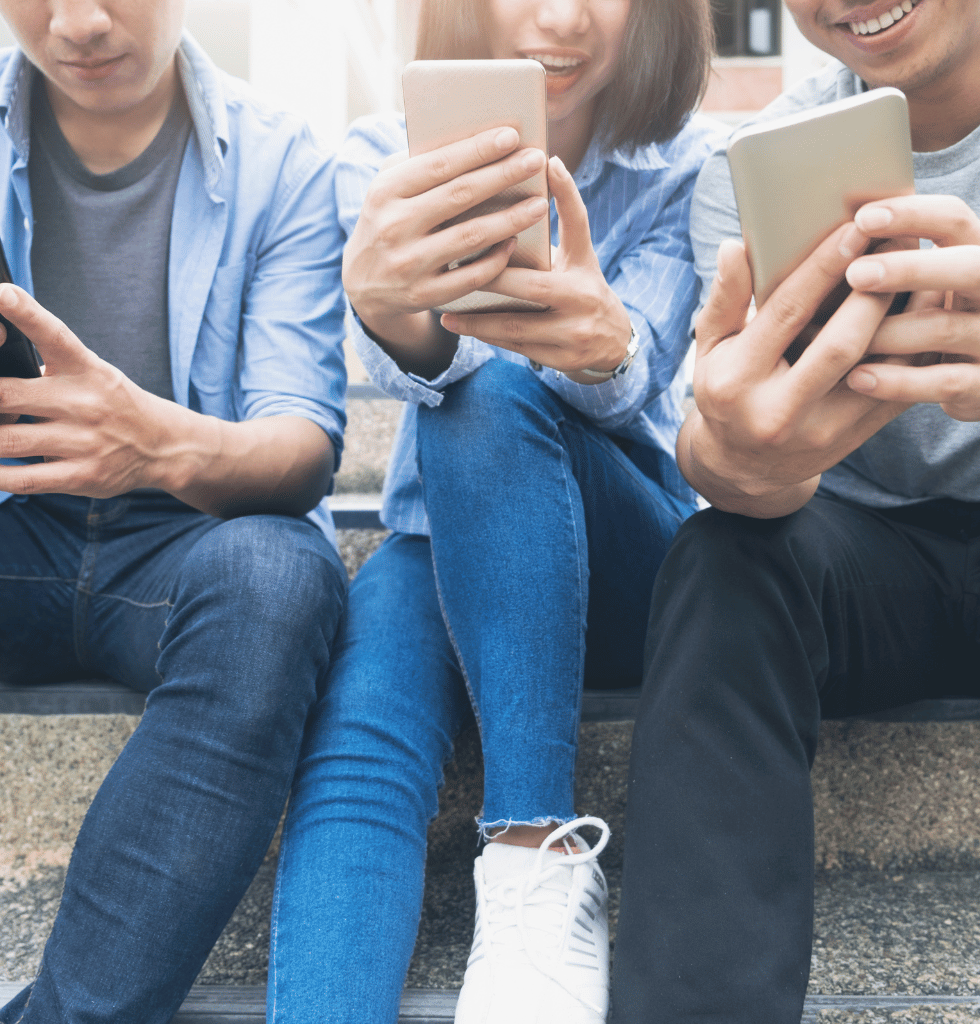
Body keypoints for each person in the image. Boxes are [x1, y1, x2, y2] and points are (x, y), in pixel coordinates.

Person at [266, 0, 720, 1020]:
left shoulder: (693, 168)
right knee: (360, 740)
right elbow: (429, 374)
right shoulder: (379, 163)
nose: (558, 17)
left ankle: (534, 849)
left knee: (497, 389)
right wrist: (402, 326)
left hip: (627, 549)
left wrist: (601, 345)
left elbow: (626, 386)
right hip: (437, 541)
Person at [610, 0, 980, 1019]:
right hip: (857, 553)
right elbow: (728, 466)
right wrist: (737, 457)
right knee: (720, 556)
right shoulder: (753, 166)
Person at [0, 2, 348, 1022]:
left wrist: (148, 441)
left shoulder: (283, 160)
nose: (79, 24)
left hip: (187, 549)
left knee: (282, 576)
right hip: (19, 526)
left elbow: (301, 448)